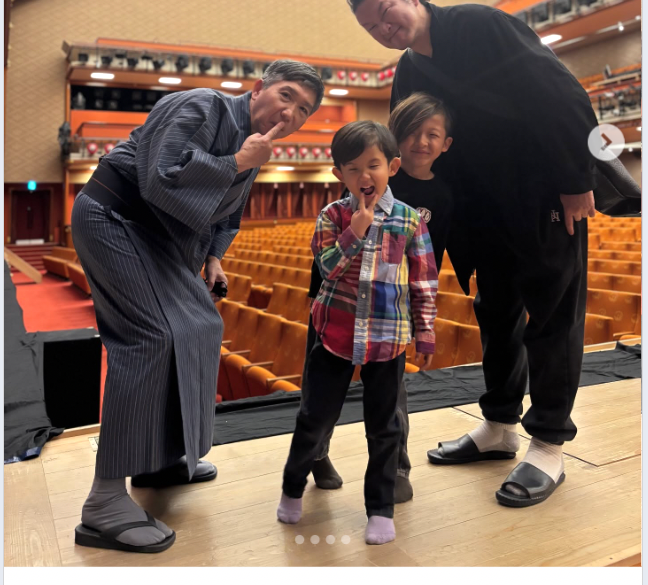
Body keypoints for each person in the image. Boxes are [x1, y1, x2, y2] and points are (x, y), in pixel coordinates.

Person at [348, 0, 597, 508]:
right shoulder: (409, 69)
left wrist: (576, 179)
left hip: (541, 195)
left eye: (386, 13)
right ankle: (500, 425)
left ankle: (548, 444)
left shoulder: (482, 25)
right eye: (372, 27)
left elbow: (560, 94)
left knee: (553, 314)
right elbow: (408, 151)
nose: (384, 29)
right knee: (496, 312)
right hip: (480, 210)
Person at [72, 60, 323, 554]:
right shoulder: (202, 105)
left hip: (159, 239)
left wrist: (213, 258)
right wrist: (236, 163)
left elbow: (227, 215)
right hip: (114, 217)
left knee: (201, 327)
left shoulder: (254, 146)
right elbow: (159, 177)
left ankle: (159, 457)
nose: (291, 112)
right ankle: (103, 500)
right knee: (151, 338)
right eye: (286, 96)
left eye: (304, 110)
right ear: (259, 89)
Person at [277, 121, 438, 545]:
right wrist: (356, 232)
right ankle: (292, 488)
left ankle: (380, 510)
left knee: (384, 429)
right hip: (335, 335)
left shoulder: (410, 221)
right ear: (339, 174)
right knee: (314, 418)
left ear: (393, 167)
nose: (364, 176)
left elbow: (423, 281)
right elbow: (327, 268)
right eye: (353, 169)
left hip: (387, 339)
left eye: (373, 165)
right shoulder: (332, 216)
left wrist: (425, 333)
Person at [305, 93, 454, 503]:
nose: (421, 142)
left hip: (389, 316)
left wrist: (424, 327)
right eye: (412, 133)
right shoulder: (346, 198)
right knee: (320, 396)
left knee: (390, 403)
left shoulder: (434, 198)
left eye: (432, 135)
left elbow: (426, 271)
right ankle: (316, 452)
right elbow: (328, 262)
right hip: (335, 307)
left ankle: (395, 467)